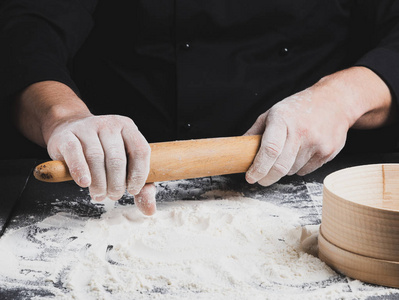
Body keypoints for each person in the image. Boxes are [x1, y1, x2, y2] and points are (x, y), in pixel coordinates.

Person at [1, 0, 398, 216]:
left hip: (316, 182)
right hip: (109, 180)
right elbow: (28, 26)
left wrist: (342, 96)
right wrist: (64, 117)